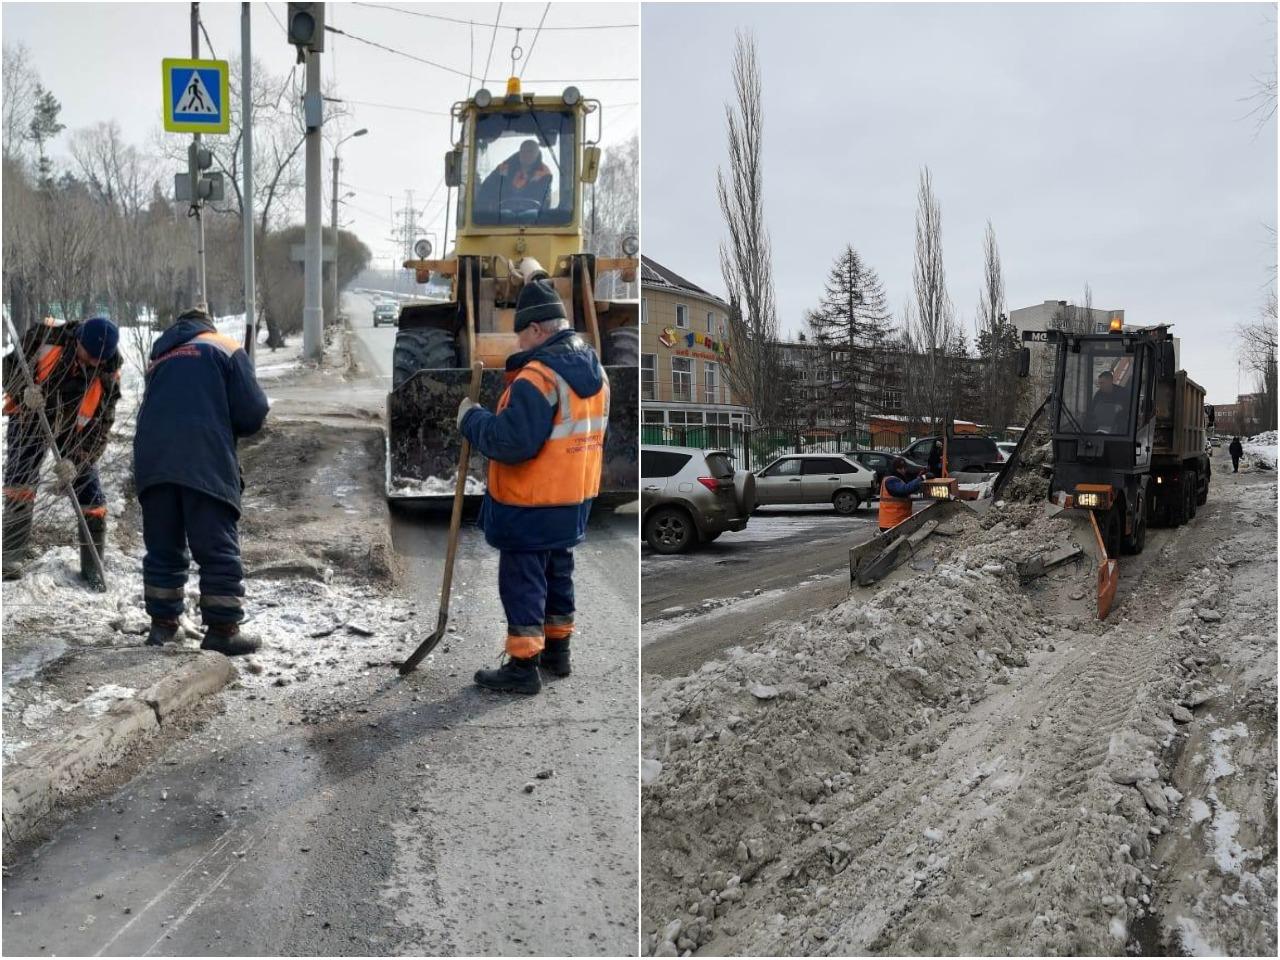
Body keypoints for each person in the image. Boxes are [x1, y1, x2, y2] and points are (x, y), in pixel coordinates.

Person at [457, 278, 609, 695]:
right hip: (573, 498)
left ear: (538, 329)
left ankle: (524, 666)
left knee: (524, 578)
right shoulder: (595, 370)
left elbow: (511, 443)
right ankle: (558, 654)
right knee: (558, 571)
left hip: (530, 501)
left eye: (521, 333)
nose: (519, 342)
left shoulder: (538, 377)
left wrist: (471, 419)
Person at [133, 308, 270, 655]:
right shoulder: (223, 346)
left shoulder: (161, 357)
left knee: (163, 547)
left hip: (153, 459)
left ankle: (163, 628)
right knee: (216, 547)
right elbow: (253, 412)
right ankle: (223, 631)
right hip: (203, 458)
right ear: (206, 325)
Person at [2, 316, 121, 587]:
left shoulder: (109, 368)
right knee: (20, 479)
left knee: (91, 494)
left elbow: (102, 424)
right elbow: (8, 367)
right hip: (32, 414)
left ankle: (92, 568)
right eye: (89, 356)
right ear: (78, 340)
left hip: (75, 430)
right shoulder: (46, 337)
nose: (94, 363)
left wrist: (77, 462)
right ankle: (10, 557)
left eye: (99, 360)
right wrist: (23, 393)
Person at [477, 139, 552, 216]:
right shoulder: (503, 168)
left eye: (530, 151)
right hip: (501, 218)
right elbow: (486, 189)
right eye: (523, 151)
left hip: (532, 220)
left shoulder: (544, 174)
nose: (526, 154)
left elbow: (544, 202)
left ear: (537, 154)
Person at [878, 456, 925, 532]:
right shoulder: (891, 480)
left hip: (895, 522)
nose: (904, 471)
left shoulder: (895, 479)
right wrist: (921, 478)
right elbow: (904, 489)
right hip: (892, 523)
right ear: (899, 469)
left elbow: (905, 489)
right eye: (903, 468)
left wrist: (918, 478)